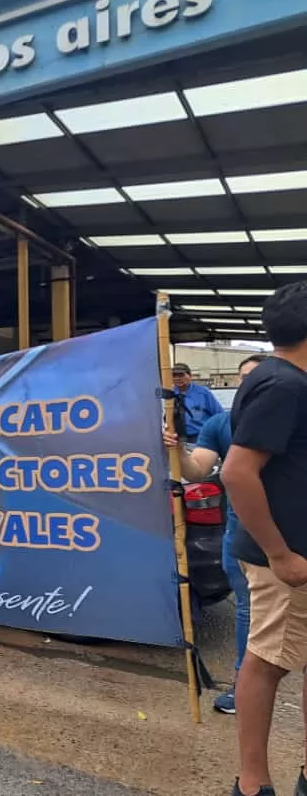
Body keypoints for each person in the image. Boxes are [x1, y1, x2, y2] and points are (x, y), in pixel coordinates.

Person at [221, 281, 307, 796]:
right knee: (267, 661)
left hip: (296, 552)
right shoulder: (283, 386)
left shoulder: (288, 381)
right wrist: (280, 554)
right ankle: (253, 784)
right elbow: (237, 472)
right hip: (288, 557)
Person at [163, 354, 266, 715]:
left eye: (257, 376)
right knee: (248, 612)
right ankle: (244, 690)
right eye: (244, 378)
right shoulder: (221, 425)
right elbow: (196, 469)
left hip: (294, 537)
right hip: (243, 539)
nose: (250, 384)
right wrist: (177, 448)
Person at [171, 362, 223, 445]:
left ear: (190, 376)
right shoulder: (169, 394)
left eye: (181, 375)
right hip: (176, 439)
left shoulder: (203, 393)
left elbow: (219, 415)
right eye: (174, 375)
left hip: (200, 437)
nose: (178, 378)